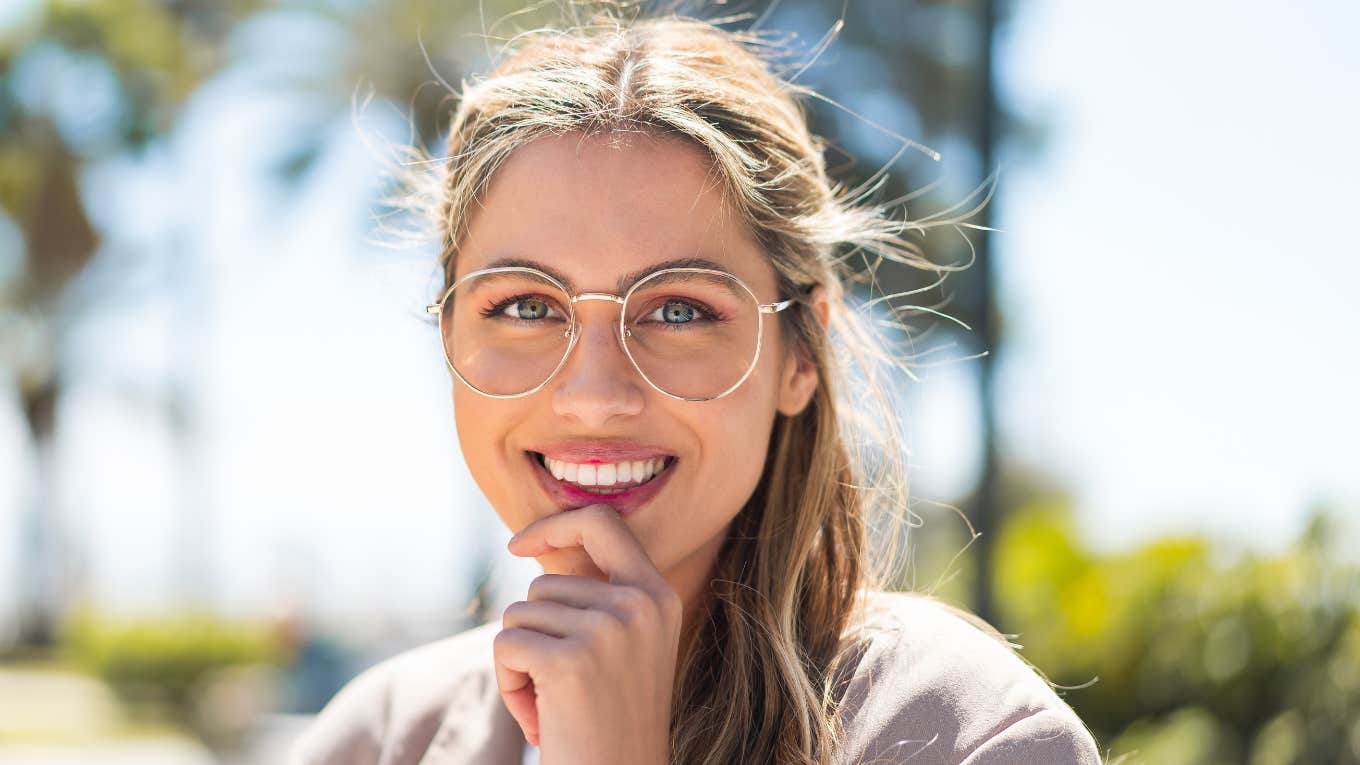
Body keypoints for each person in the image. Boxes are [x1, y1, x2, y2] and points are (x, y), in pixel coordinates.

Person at [289, 6, 1103, 764]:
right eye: (527, 304)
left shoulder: (967, 735)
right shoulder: (383, 737)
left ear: (800, 353)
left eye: (678, 309)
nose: (594, 395)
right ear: (448, 330)